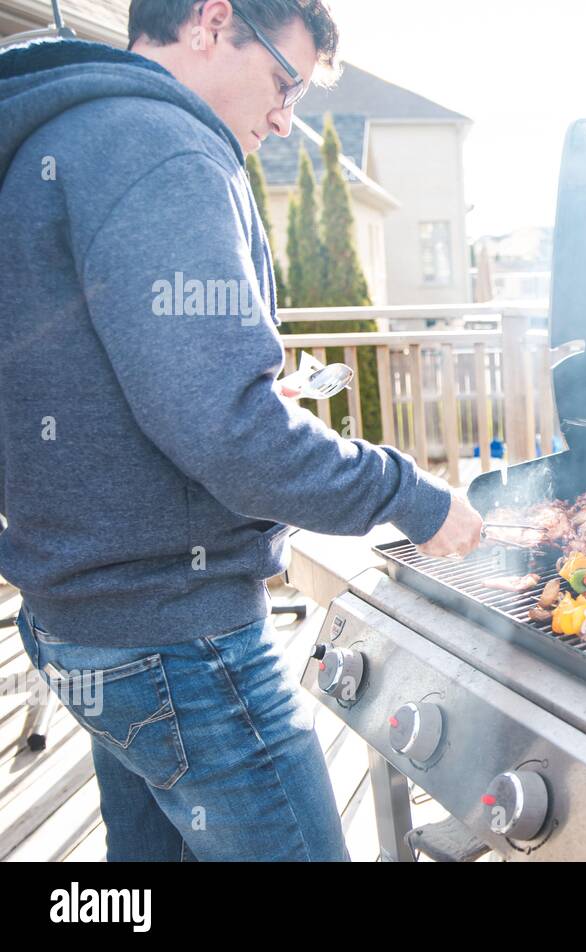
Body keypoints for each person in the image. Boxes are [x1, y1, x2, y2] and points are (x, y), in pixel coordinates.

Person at [0, 0, 482, 861]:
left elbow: (108, 378)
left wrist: (238, 391)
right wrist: (411, 494)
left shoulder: (65, 136)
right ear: (212, 21)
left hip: (80, 617)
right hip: (176, 641)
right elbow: (224, 432)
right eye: (284, 80)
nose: (285, 117)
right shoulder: (161, 146)